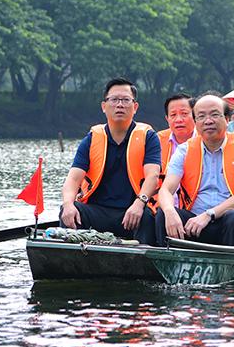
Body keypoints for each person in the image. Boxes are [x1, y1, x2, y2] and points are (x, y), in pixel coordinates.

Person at [60, 77, 160, 245]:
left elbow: (153, 176)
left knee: (146, 216)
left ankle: (142, 265)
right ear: (104, 106)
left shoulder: (148, 137)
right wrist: (68, 203)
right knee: (70, 210)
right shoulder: (92, 138)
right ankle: (70, 263)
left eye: (125, 100)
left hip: (132, 211)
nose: (119, 105)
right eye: (114, 100)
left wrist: (139, 202)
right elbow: (73, 178)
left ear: (135, 107)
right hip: (98, 211)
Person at [156, 94, 234, 247]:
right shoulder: (185, 150)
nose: (208, 121)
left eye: (215, 115)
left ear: (228, 119)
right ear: (195, 123)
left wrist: (209, 214)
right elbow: (166, 190)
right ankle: (172, 266)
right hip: (194, 224)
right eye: (201, 116)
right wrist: (170, 211)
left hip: (230, 222)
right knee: (163, 215)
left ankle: (231, 267)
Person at [157, 92, 195, 173]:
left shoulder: (206, 139)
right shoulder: (157, 140)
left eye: (184, 114)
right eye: (173, 115)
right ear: (167, 119)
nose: (178, 120)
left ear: (195, 116)